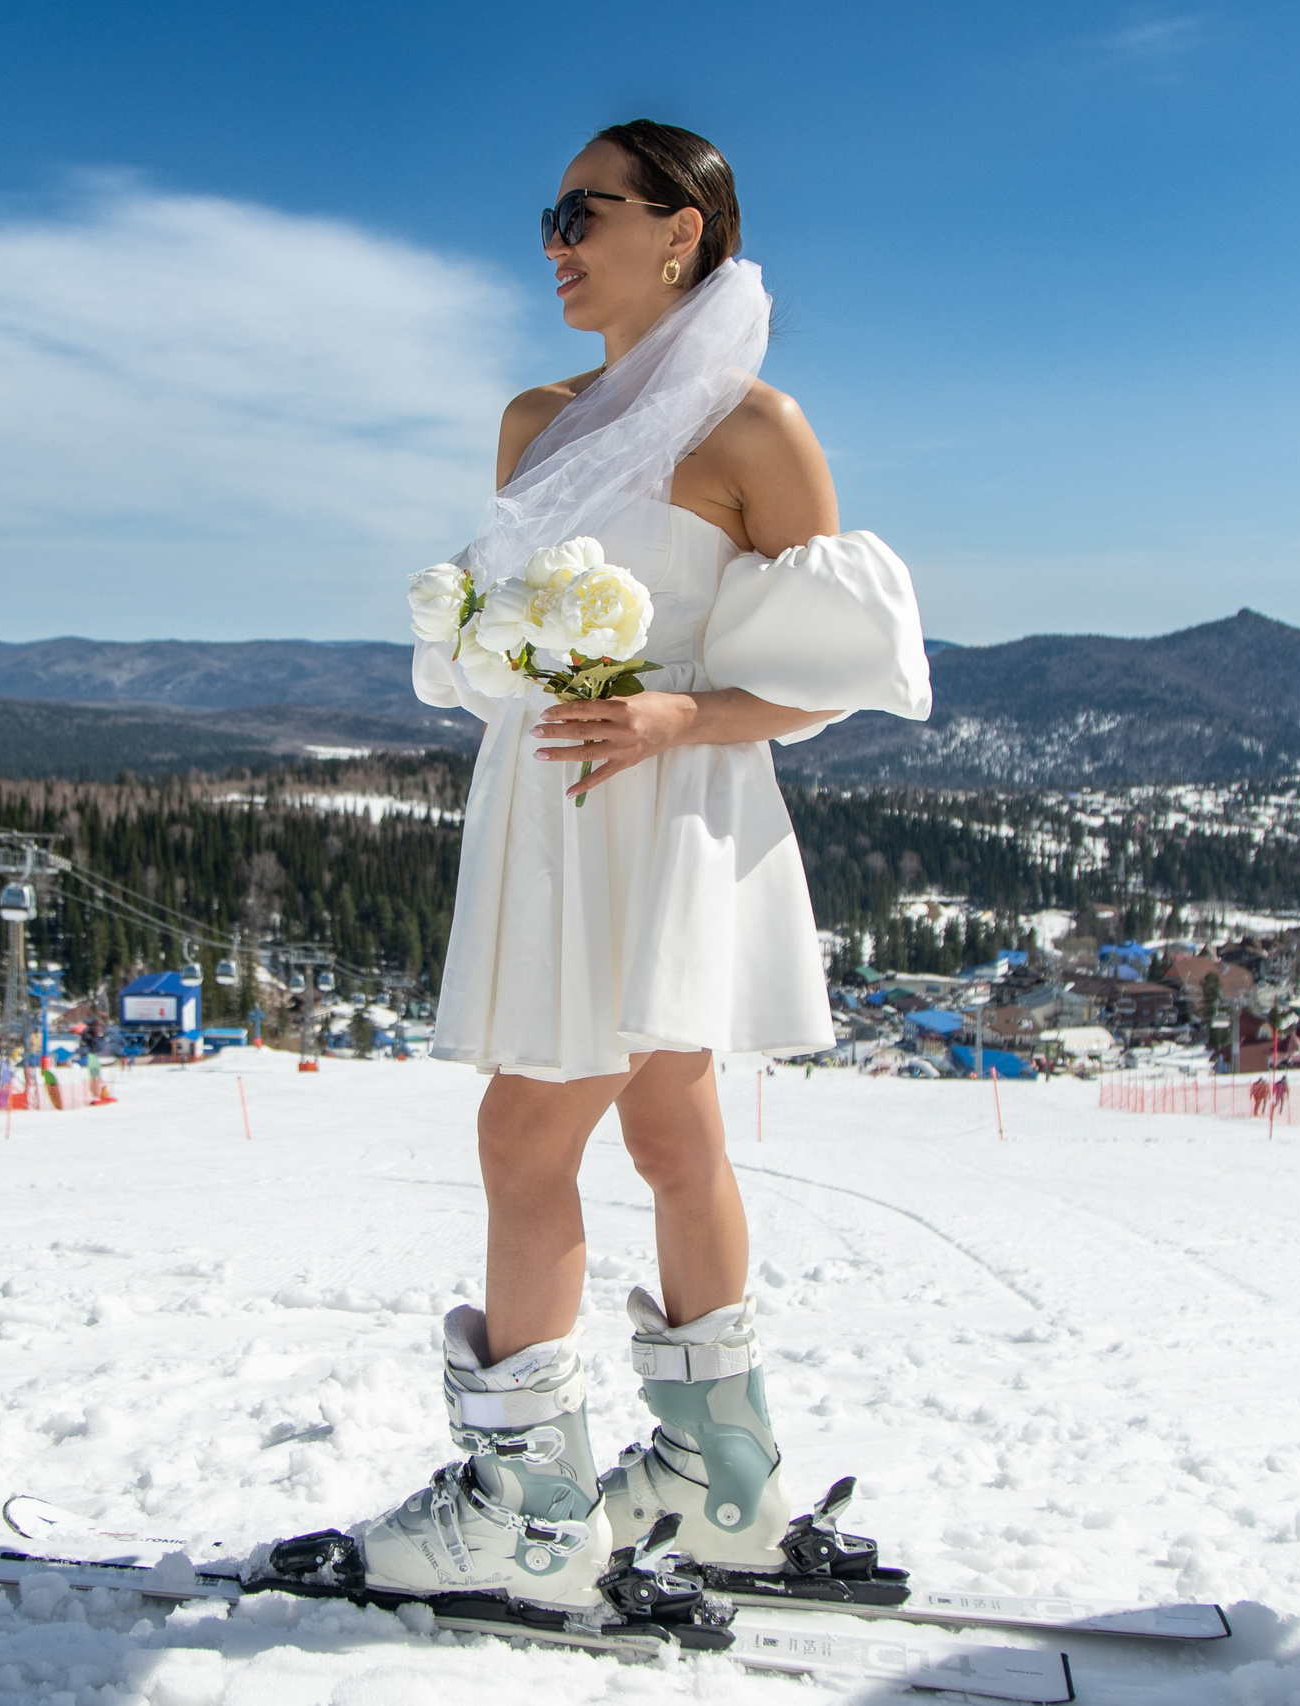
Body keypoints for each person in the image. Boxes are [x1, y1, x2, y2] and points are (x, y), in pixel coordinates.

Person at [362, 121, 932, 1611]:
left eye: (581, 211)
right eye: (546, 214)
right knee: (673, 1126)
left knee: (530, 1135)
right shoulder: (531, 419)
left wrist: (683, 709)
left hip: (668, 800)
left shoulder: (756, 432)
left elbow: (834, 670)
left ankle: (528, 1511)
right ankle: (716, 1483)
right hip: (550, 803)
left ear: (679, 232)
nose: (553, 240)